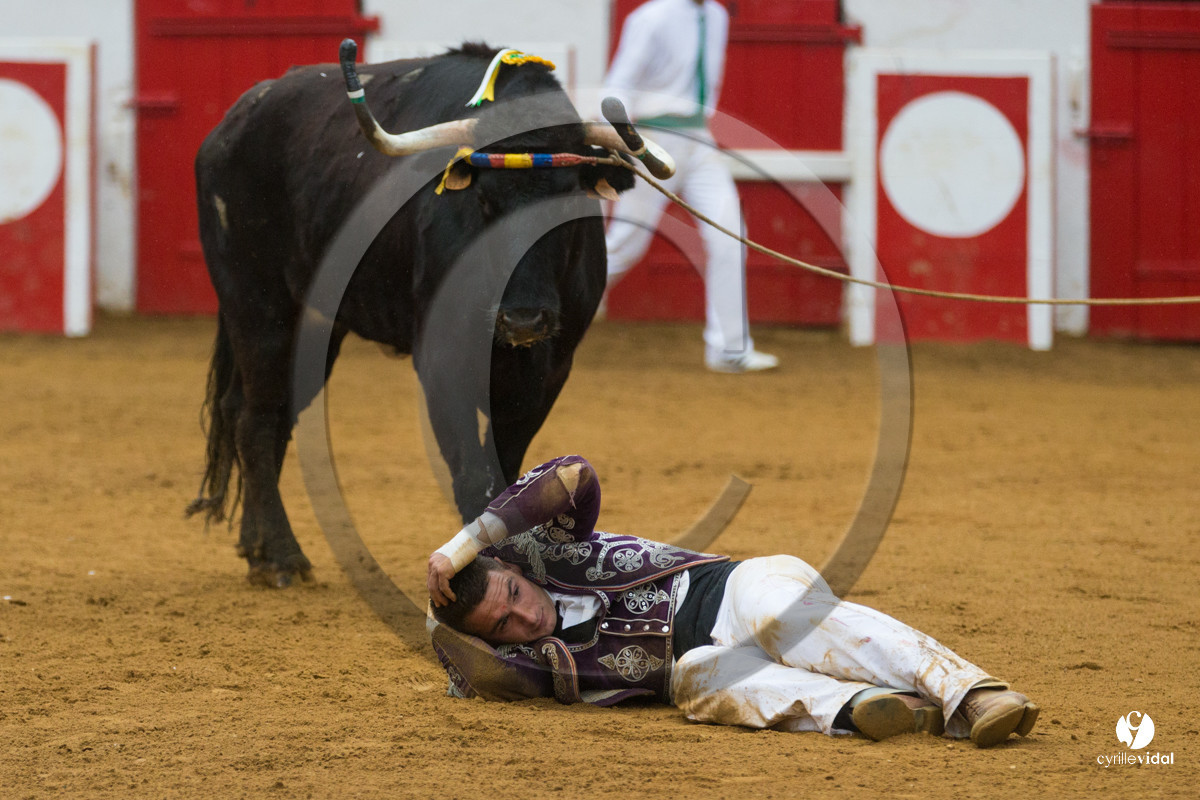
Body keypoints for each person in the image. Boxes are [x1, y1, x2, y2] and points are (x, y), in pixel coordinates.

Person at [427, 455, 1041, 747]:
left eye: (513, 594)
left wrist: (460, 550)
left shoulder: (546, 548)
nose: (526, 617)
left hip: (733, 589)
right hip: (691, 666)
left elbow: (573, 475)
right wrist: (441, 609)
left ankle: (971, 692)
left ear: (512, 567)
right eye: (504, 626)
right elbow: (467, 665)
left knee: (782, 619)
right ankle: (871, 707)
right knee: (700, 686)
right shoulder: (527, 666)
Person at [601, 0, 778, 374]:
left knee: (730, 234)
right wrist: (626, 141)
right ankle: (549, 315)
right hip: (652, 137)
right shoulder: (651, 18)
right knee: (625, 245)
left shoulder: (716, 15)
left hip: (699, 137)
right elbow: (618, 84)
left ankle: (729, 349)